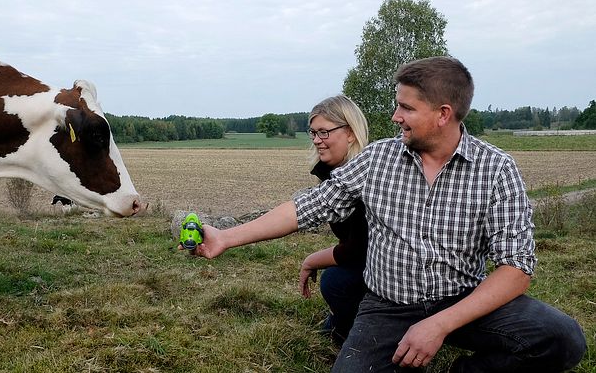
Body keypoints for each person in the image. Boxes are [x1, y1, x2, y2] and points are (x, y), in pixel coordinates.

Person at [191, 56, 586, 372]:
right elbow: (307, 207)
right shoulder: (379, 158)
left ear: (443, 114)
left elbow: (516, 267)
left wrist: (439, 324)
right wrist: (226, 237)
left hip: (464, 300)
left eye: (405, 107)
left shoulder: (497, 169)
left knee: (564, 339)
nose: (395, 116)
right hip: (388, 306)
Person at [298, 96, 369, 345]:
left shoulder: (363, 177)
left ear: (350, 133)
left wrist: (311, 261)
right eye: (313, 133)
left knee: (335, 281)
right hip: (369, 263)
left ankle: (359, 335)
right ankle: (345, 320)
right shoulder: (332, 174)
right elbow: (298, 212)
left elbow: (360, 248)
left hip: (392, 272)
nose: (317, 140)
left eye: (324, 132)